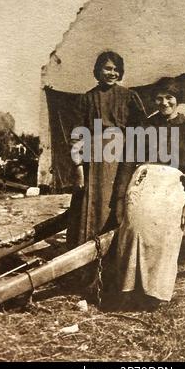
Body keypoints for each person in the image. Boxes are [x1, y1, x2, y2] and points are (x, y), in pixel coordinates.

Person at [114, 77, 185, 310]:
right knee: (133, 228)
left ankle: (155, 293)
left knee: (166, 232)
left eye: (169, 98)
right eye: (159, 98)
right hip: (143, 181)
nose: (164, 103)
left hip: (171, 185)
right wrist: (120, 199)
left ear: (177, 100)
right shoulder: (145, 127)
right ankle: (129, 289)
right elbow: (128, 163)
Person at [66, 51, 145, 252]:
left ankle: (117, 253)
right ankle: (88, 255)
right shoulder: (86, 99)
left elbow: (142, 129)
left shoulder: (129, 96)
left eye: (116, 69)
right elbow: (77, 135)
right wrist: (78, 167)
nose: (112, 73)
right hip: (94, 161)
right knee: (92, 206)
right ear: (98, 70)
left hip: (121, 159)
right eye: (107, 68)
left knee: (117, 202)